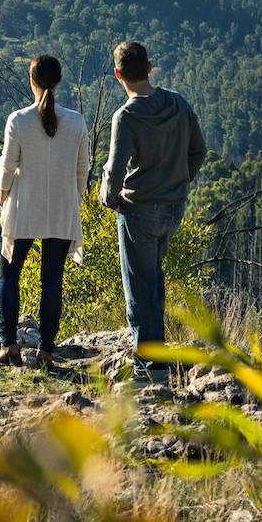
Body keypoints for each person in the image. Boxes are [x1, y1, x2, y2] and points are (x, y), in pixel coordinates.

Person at [99, 41, 206, 374]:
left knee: (139, 286)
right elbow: (198, 151)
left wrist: (109, 198)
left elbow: (115, 171)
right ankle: (156, 352)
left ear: (119, 75)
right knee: (153, 279)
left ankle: (150, 363)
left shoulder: (126, 116)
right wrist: (176, 182)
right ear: (149, 68)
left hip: (139, 210)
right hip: (173, 209)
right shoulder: (177, 103)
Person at [0, 55, 89, 370]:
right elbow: (82, 168)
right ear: (59, 81)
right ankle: (46, 350)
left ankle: (9, 344)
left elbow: (8, 164)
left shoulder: (18, 120)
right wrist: (73, 199)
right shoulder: (75, 121)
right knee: (52, 282)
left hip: (24, 205)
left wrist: (3, 193)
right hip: (61, 208)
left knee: (10, 274)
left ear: (31, 80)